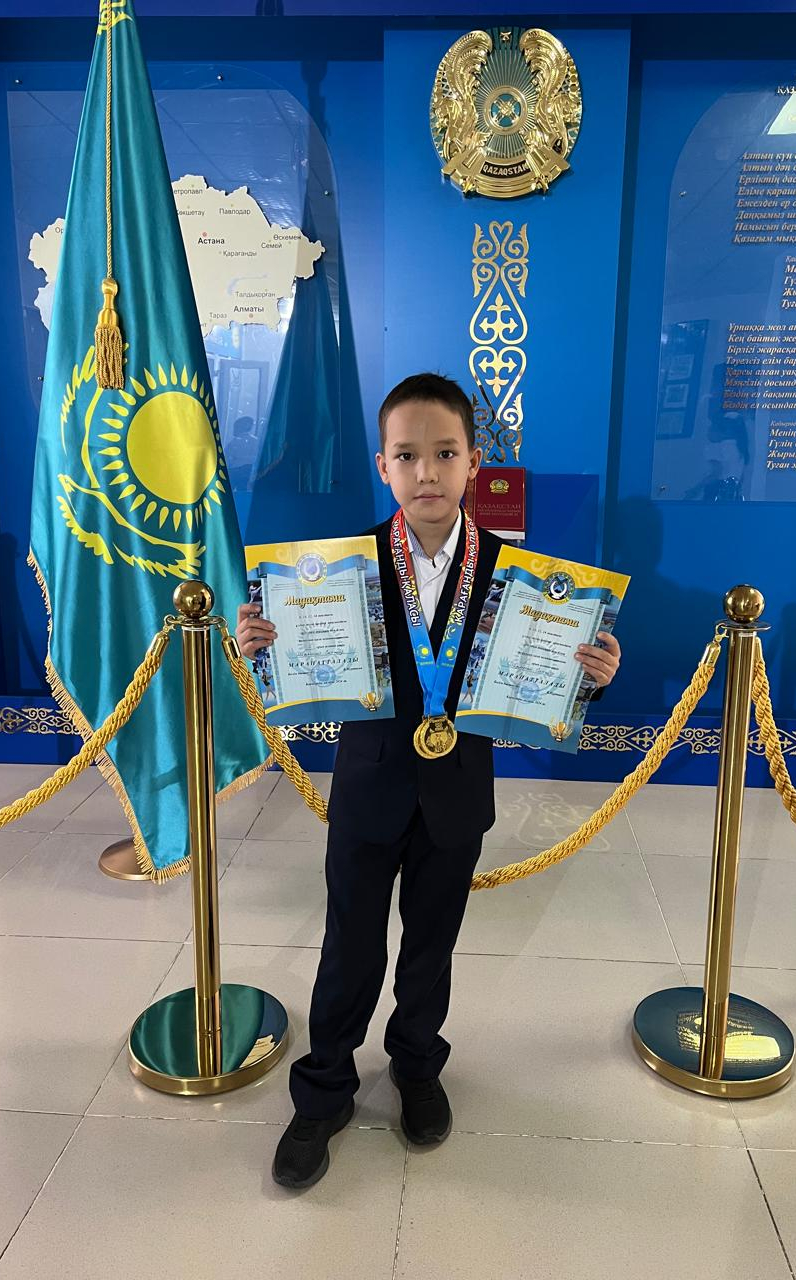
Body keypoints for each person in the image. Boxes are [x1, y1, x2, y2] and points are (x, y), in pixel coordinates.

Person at [236, 373, 622, 1189]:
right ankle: (325, 1088)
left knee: (431, 946)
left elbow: (542, 679)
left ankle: (416, 1064)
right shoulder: (335, 570)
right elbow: (301, 665)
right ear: (383, 465)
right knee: (349, 946)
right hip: (369, 789)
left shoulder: (518, 577)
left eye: (445, 454)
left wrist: (588, 673)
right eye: (407, 456)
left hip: (456, 795)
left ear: (474, 461)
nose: (426, 473)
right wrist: (266, 644)